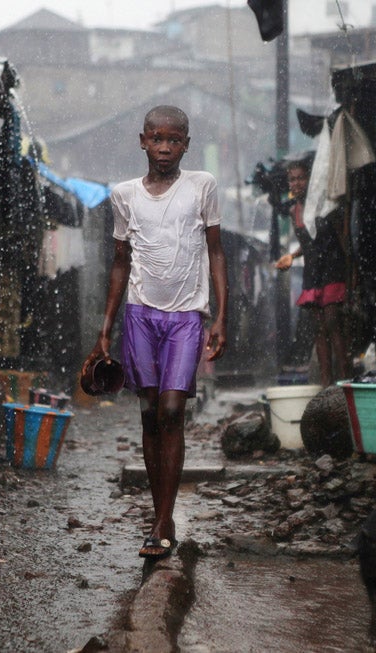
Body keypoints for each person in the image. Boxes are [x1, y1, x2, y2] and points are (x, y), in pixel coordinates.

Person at [83, 105, 228, 560]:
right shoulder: (124, 195)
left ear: (186, 143)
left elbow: (217, 253)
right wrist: (105, 330)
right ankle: (158, 516)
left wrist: (222, 315)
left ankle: (165, 519)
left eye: (174, 140)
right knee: (149, 413)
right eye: (157, 139)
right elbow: (120, 262)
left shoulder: (202, 186)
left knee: (171, 410)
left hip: (187, 316)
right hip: (140, 314)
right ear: (142, 140)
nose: (165, 148)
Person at [274, 158, 350, 385]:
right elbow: (308, 244)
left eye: (300, 178)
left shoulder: (325, 205)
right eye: (292, 179)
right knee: (319, 329)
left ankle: (345, 379)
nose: (296, 183)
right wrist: (292, 256)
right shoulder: (293, 211)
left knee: (333, 323)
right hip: (313, 272)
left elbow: (342, 239)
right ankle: (327, 383)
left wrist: (352, 274)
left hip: (333, 268)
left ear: (310, 179)